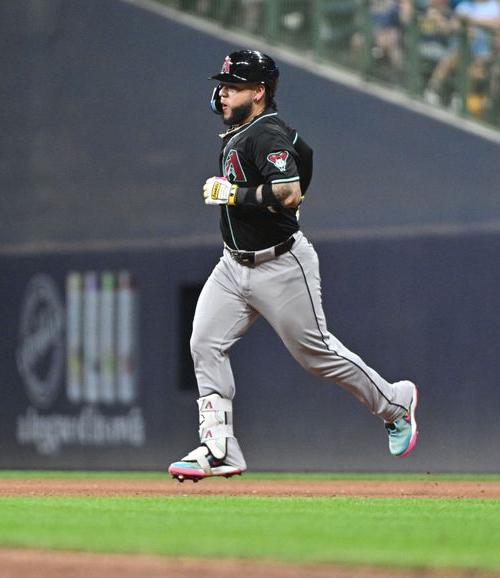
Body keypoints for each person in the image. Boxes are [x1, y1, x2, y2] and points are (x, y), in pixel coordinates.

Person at [168, 50, 419, 482]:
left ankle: (396, 403)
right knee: (204, 343)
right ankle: (218, 447)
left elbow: (287, 191)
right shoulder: (248, 126)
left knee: (316, 355)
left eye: (234, 86)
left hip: (280, 265)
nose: (222, 93)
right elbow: (307, 152)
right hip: (233, 266)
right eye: (223, 85)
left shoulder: (265, 133)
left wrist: (235, 195)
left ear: (259, 92)